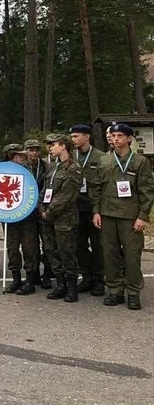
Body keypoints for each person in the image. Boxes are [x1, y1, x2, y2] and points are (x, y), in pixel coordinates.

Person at [90, 123, 154, 310]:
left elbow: (147, 191)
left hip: (130, 216)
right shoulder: (104, 161)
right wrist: (96, 211)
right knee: (110, 255)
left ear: (129, 139)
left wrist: (142, 216)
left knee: (132, 256)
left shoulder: (140, 161)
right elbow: (96, 188)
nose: (116, 139)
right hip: (108, 215)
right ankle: (115, 290)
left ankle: (133, 292)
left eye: (120, 135)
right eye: (114, 135)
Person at [39, 134, 83, 303]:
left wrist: (48, 211)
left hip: (65, 218)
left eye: (52, 144)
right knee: (51, 251)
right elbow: (45, 189)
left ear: (63, 146)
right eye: (48, 145)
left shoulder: (73, 168)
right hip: (48, 217)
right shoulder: (52, 167)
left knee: (66, 253)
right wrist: (41, 206)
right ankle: (60, 285)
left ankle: (71, 288)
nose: (49, 148)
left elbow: (66, 196)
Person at [70, 124, 105, 297]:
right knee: (79, 245)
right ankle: (87, 277)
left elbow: (104, 184)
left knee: (98, 245)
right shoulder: (70, 156)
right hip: (76, 208)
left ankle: (99, 279)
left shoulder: (100, 157)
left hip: (93, 207)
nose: (73, 139)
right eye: (72, 137)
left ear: (87, 136)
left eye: (76, 136)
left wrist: (99, 209)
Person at [1, 144, 39, 295]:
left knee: (29, 247)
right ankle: (16, 278)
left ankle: (30, 280)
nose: (23, 158)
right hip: (9, 215)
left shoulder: (29, 170)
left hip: (27, 215)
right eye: (20, 156)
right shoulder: (1, 171)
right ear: (12, 157)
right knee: (12, 247)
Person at [25, 138, 51, 288]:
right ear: (26, 151)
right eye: (31, 149)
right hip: (27, 211)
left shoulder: (47, 167)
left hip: (43, 209)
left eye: (36, 150)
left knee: (47, 244)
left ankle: (47, 273)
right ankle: (32, 274)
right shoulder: (21, 167)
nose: (34, 152)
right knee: (30, 244)